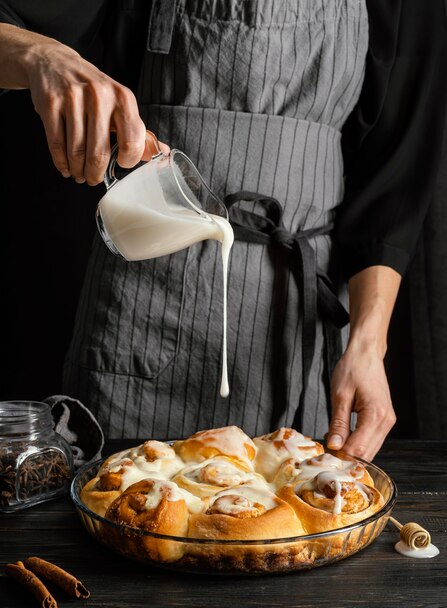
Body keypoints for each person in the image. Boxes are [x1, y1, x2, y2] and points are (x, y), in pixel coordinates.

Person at [0, 1, 445, 460]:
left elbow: (395, 179)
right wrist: (41, 56)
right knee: (120, 510)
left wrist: (368, 345)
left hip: (301, 328)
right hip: (144, 317)